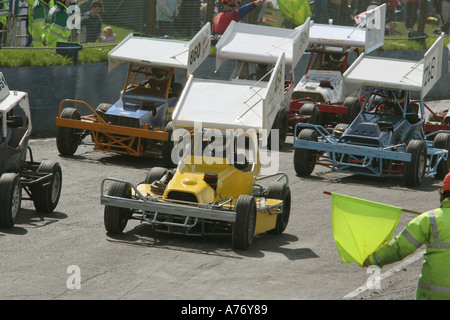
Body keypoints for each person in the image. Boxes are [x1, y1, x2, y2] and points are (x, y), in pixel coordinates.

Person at [363, 173, 450, 300]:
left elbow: (400, 247)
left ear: (443, 194)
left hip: (432, 294)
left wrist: (373, 259)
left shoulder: (430, 219)